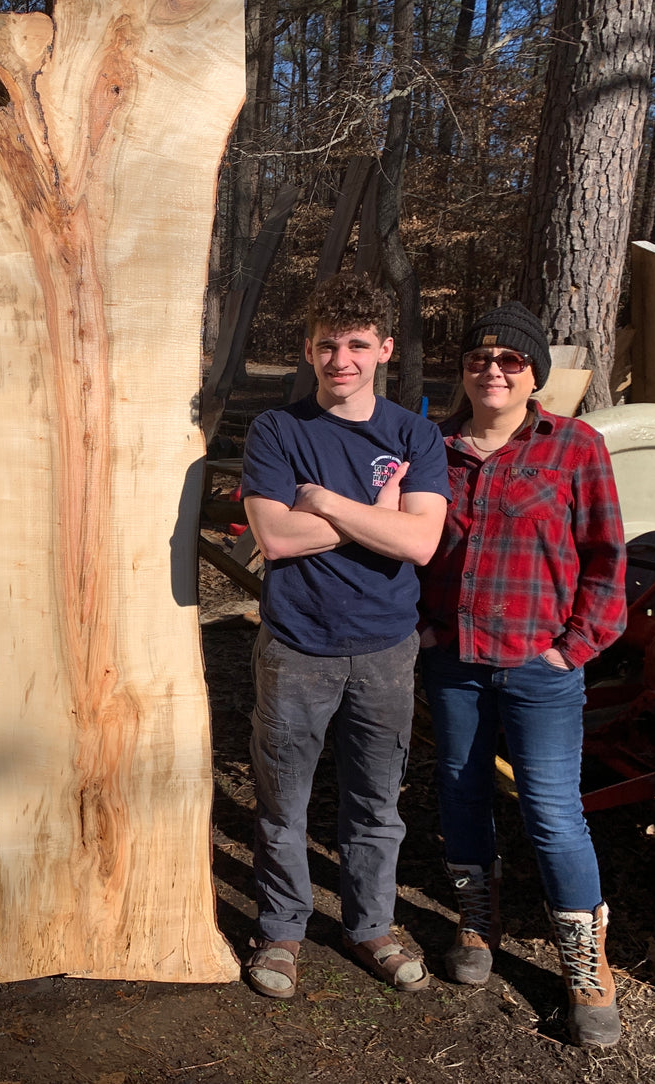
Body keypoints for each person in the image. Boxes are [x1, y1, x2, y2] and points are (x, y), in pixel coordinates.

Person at [417, 302, 626, 1046]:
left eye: (511, 360)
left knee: (551, 812)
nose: (494, 370)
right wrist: (425, 628)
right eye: (480, 358)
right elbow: (409, 546)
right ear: (464, 370)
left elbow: (605, 558)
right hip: (456, 663)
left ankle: (583, 958)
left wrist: (571, 649)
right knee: (459, 791)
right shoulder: (433, 448)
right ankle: (478, 917)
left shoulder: (573, 446)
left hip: (540, 668)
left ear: (533, 373)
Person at [239, 273, 450, 998]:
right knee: (283, 802)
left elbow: (419, 544)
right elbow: (273, 536)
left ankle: (368, 927)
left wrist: (326, 501)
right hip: (296, 645)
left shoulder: (413, 433)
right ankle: (281, 930)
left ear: (384, 349)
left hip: (385, 650)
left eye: (357, 344)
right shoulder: (277, 430)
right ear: (308, 350)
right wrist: (375, 515)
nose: (342, 359)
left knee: (373, 803)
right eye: (327, 345)